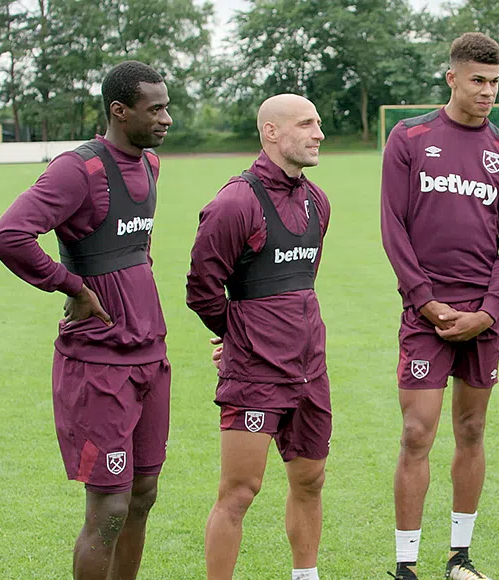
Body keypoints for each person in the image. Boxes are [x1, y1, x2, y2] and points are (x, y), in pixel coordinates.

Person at [0, 60, 173, 579]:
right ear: (119, 110)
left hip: (150, 355)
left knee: (142, 495)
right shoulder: (79, 168)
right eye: (154, 108)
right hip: (99, 364)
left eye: (166, 106)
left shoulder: (151, 166)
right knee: (108, 509)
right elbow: (8, 235)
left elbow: (138, 247)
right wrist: (70, 285)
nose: (166, 119)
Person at [379, 31, 499, 580]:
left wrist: (488, 312)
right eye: (477, 81)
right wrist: (424, 301)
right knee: (417, 432)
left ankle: (460, 557)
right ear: (452, 78)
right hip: (425, 314)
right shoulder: (410, 137)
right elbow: (392, 224)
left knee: (471, 430)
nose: (487, 92)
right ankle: (405, 565)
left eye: (494, 83)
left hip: (484, 316)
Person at [185, 94, 331, 580]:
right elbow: (201, 290)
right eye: (306, 124)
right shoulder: (234, 202)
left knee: (311, 481)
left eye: (318, 124)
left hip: (311, 369)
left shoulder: (317, 202)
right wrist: (238, 337)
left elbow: (298, 283)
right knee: (240, 492)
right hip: (255, 375)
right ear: (271, 132)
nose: (319, 133)